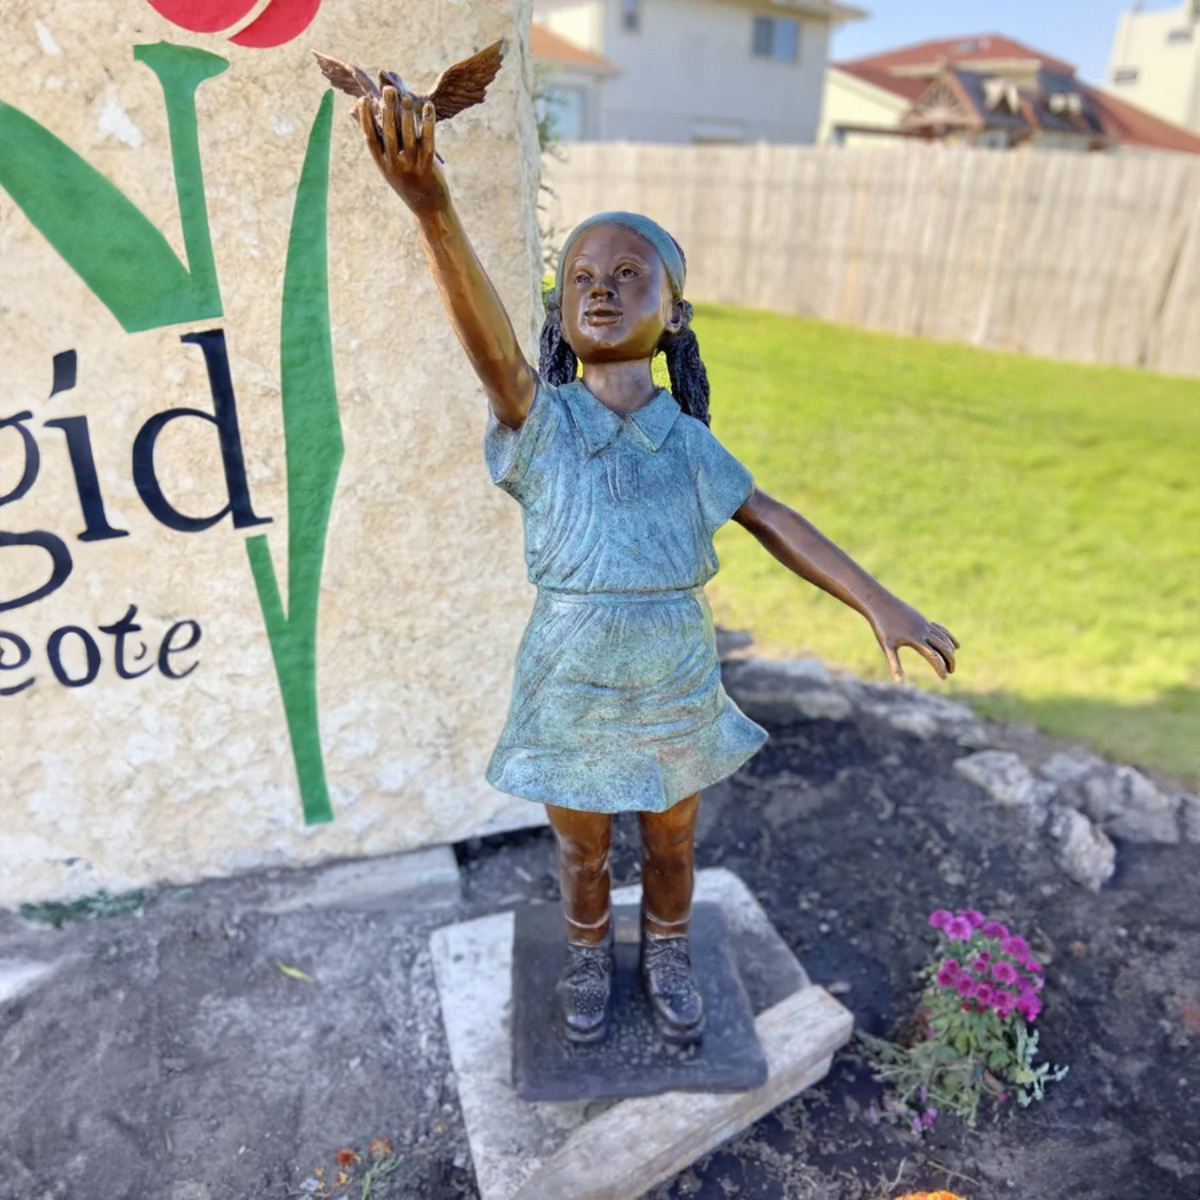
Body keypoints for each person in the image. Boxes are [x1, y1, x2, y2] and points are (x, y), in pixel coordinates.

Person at [355, 88, 959, 1046]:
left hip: (675, 671)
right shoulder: (541, 423)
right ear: (560, 307)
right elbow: (493, 351)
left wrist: (879, 602)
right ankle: (589, 948)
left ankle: (668, 944)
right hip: (570, 674)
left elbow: (771, 516)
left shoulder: (689, 446)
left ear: (674, 313)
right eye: (582, 274)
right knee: (580, 841)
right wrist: (432, 206)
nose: (600, 286)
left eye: (630, 274)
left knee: (673, 835)